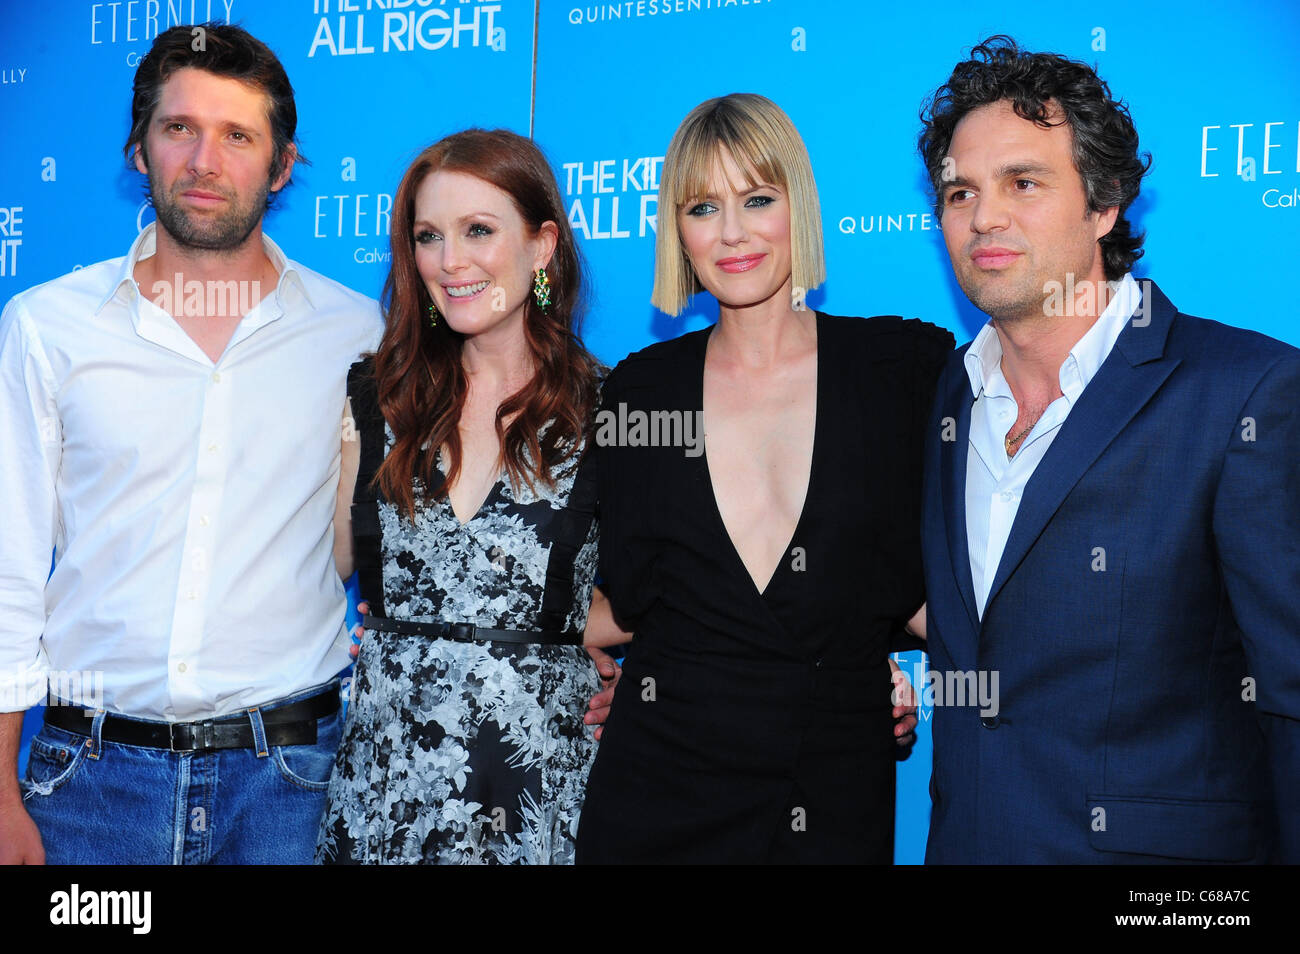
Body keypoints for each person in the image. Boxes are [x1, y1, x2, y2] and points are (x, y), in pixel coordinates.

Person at [0, 24, 382, 864]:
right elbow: (9, 570)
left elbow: (394, 537)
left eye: (238, 136)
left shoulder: (357, 333)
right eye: (179, 129)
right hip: (86, 787)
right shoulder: (45, 327)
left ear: (281, 167)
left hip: (291, 785)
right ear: (139, 149)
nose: (205, 162)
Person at [917, 36, 1300, 863]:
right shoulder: (942, 399)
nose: (984, 216)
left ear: (1104, 203)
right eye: (958, 192)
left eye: (1023, 182)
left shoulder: (1246, 391)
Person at [575, 93, 950, 864]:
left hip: (833, 787)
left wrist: (896, 675)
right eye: (704, 207)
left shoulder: (901, 372)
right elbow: (610, 598)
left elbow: (935, 590)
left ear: (798, 206)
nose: (733, 233)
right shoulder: (638, 392)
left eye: (757, 199)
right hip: (660, 792)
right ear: (678, 231)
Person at [317, 129, 618, 865]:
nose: (451, 262)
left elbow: (676, 585)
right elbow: (324, 569)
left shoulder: (610, 409)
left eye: (479, 230)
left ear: (542, 245)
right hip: (383, 791)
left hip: (536, 790)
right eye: (428, 236)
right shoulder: (374, 398)